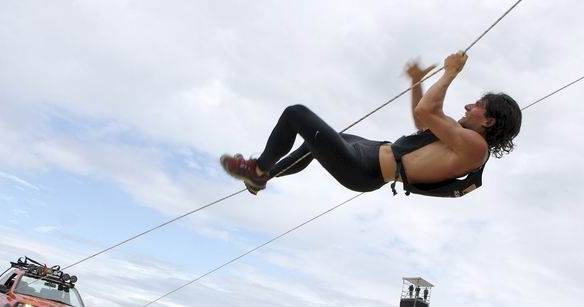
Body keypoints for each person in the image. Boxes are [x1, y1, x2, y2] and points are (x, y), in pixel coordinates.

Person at [221, 51, 522, 198]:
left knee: (296, 114)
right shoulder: (460, 136)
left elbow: (428, 111)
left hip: (365, 169)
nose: (468, 106)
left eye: (477, 106)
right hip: (372, 150)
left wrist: (450, 73)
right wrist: (418, 81)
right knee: (311, 145)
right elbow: (422, 119)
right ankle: (264, 177)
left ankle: (258, 171)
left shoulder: (475, 148)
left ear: (490, 119)